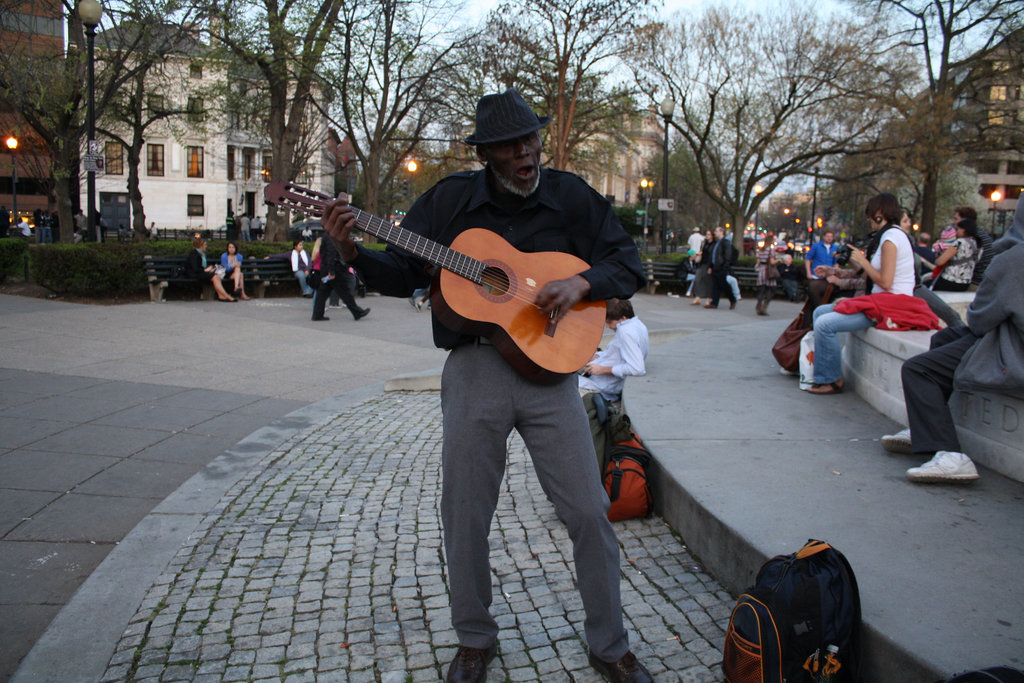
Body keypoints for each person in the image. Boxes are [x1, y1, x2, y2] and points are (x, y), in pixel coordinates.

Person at [321, 88, 651, 683]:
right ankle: (474, 638)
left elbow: (628, 262)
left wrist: (582, 286)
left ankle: (610, 645)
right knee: (465, 511)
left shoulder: (572, 196)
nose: (526, 153)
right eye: (511, 146)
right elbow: (401, 273)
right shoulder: (449, 202)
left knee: (589, 509)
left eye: (531, 140)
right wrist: (351, 250)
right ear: (488, 154)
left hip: (551, 373)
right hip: (475, 367)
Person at [882, 201, 1024, 483]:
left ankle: (950, 454)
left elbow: (980, 319)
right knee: (944, 338)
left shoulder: (1012, 259)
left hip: (1013, 351)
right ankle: (925, 428)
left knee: (917, 369)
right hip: (1013, 340)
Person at [808, 193, 918, 395]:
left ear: (879, 214)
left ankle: (832, 380)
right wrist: (845, 263)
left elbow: (886, 281)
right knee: (820, 312)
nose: (868, 220)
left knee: (825, 324)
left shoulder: (891, 239)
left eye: (870, 215)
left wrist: (864, 261)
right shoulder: (887, 236)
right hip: (880, 302)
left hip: (889, 307)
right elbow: (866, 273)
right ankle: (826, 372)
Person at [579, 298, 649, 405]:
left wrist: (603, 369)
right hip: (602, 380)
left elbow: (637, 368)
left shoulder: (625, 332)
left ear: (623, 318)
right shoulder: (637, 324)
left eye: (610, 322)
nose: (607, 326)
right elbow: (621, 354)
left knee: (562, 382)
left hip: (603, 386)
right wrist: (598, 355)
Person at [310, 236, 369, 321]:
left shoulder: (327, 237)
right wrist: (331, 271)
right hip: (334, 270)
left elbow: (325, 255)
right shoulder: (332, 238)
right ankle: (357, 312)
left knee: (322, 292)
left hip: (326, 269)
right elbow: (331, 255)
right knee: (344, 291)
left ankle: (317, 314)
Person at [929, 217, 980, 291]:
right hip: (966, 283)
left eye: (958, 229)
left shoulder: (959, 242)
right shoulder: (977, 245)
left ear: (964, 230)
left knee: (924, 286)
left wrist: (937, 257)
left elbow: (940, 262)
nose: (956, 232)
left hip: (950, 280)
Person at [185, 235, 235, 301]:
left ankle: (221, 296)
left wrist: (210, 268)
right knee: (214, 277)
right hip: (195, 274)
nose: (206, 246)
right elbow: (195, 268)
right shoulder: (194, 254)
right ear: (200, 245)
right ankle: (227, 296)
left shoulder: (201, 254)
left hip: (201, 273)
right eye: (205, 245)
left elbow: (203, 266)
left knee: (216, 276)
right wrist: (205, 270)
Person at [805, 228, 838, 312]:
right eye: (828, 236)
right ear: (824, 237)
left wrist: (837, 273)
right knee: (813, 295)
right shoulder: (816, 246)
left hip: (828, 276)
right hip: (816, 275)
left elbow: (836, 263)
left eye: (831, 236)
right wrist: (809, 272)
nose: (829, 238)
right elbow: (808, 258)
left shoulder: (835, 247)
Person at [706, 226, 737, 309]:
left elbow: (727, 254)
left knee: (723, 285)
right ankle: (714, 303)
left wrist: (725, 265)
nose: (715, 233)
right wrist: (711, 266)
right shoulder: (717, 243)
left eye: (716, 231)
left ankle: (732, 299)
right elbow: (713, 255)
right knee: (716, 285)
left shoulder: (725, 242)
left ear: (721, 232)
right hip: (716, 267)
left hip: (721, 267)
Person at [689, 228, 714, 306]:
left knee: (708, 282)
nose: (707, 236)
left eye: (709, 234)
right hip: (702, 263)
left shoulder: (714, 244)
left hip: (709, 264)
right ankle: (698, 297)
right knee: (697, 279)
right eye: (706, 234)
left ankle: (709, 299)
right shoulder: (704, 243)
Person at [754, 235, 777, 315]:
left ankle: (758, 305)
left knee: (762, 289)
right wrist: (779, 261)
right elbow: (772, 262)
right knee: (772, 289)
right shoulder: (771, 250)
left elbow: (759, 261)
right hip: (768, 271)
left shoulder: (761, 249)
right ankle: (764, 306)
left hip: (762, 271)